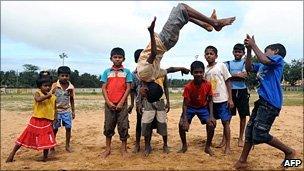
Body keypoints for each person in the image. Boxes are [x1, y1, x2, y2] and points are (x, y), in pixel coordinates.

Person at [136, 3, 236, 103]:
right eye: (144, 95)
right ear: (146, 90)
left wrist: (182, 69)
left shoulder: (153, 77)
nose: (141, 94)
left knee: (185, 15)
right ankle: (215, 23)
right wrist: (151, 32)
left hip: (168, 42)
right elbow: (153, 53)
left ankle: (205, 25)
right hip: (164, 40)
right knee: (182, 8)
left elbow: (169, 70)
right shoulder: (144, 74)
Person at [234, 35, 296, 169]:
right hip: (262, 101)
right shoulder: (263, 64)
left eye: (266, 50)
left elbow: (264, 59)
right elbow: (249, 68)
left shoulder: (278, 60)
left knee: (260, 134)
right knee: (250, 131)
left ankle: (289, 152)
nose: (263, 53)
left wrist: (254, 45)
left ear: (275, 51)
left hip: (271, 102)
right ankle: (242, 161)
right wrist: (249, 50)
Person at [6, 74, 57, 162]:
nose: (47, 87)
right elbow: (38, 99)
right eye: (45, 86)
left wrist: (54, 119)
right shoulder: (37, 93)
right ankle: (11, 155)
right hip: (36, 121)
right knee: (24, 137)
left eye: (49, 86)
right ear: (39, 87)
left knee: (47, 140)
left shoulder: (54, 97)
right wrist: (47, 96)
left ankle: (45, 158)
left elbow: (55, 109)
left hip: (47, 121)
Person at [100, 47, 133, 158]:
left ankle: (124, 149)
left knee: (123, 126)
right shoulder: (106, 72)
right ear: (111, 58)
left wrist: (121, 102)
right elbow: (103, 88)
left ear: (123, 59)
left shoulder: (127, 72)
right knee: (108, 126)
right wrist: (108, 102)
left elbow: (128, 88)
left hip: (122, 105)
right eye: (115, 57)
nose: (117, 59)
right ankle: (108, 149)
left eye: (120, 57)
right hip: (109, 105)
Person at [178, 61, 216, 156]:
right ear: (191, 73)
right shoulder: (188, 86)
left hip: (202, 107)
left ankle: (207, 147)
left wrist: (211, 115)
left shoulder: (208, 84)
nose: (198, 74)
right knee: (181, 124)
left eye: (200, 72)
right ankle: (184, 146)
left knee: (211, 124)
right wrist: (185, 118)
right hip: (190, 107)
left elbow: (210, 100)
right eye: (196, 72)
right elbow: (185, 104)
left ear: (203, 72)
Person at [204, 45, 234, 154]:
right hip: (210, 102)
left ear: (216, 56)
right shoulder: (205, 69)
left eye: (211, 54)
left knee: (225, 122)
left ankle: (228, 146)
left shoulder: (221, 66)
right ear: (204, 56)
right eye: (207, 54)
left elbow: (228, 82)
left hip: (222, 100)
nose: (209, 55)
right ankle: (209, 143)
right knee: (211, 123)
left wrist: (230, 99)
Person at [225, 43, 250, 147]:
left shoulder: (245, 63)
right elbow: (226, 76)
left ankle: (240, 138)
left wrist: (232, 75)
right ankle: (225, 139)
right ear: (233, 52)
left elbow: (245, 75)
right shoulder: (228, 63)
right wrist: (237, 75)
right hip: (231, 92)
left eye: (240, 52)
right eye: (236, 51)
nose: (237, 53)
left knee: (243, 116)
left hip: (242, 91)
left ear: (243, 53)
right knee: (228, 116)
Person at [140, 75, 171, 157]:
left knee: (162, 123)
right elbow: (142, 89)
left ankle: (165, 145)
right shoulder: (146, 72)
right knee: (147, 124)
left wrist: (168, 101)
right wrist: (140, 102)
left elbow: (166, 87)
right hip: (148, 101)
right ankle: (147, 146)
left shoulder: (162, 73)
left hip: (160, 101)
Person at [51, 66, 75, 153]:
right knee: (54, 129)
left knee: (68, 128)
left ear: (69, 76)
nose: (64, 77)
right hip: (56, 112)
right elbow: (50, 98)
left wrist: (73, 111)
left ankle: (67, 145)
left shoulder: (71, 87)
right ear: (58, 76)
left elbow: (71, 99)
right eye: (62, 75)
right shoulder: (54, 86)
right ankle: (52, 145)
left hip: (66, 111)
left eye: (66, 76)